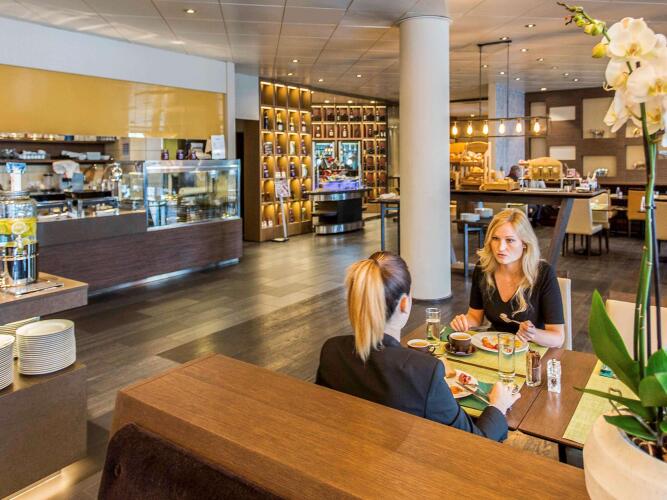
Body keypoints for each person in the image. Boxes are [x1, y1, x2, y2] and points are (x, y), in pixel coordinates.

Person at [316, 251, 519, 442]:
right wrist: (497, 406)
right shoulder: (424, 372)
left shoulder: (331, 351)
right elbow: (474, 442)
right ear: (405, 303)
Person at [450, 209, 565, 347]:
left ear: (524, 243)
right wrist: (464, 322)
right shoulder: (483, 268)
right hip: (493, 347)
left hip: (531, 351)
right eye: (495, 238)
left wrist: (533, 334)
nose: (501, 248)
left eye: (510, 240)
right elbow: (475, 316)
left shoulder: (543, 273)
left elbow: (558, 337)